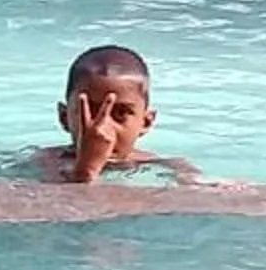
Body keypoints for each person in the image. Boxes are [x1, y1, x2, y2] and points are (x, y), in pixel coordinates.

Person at [35, 44, 200, 185]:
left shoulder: (170, 169)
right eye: (90, 112)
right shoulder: (42, 164)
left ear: (146, 122)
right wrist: (86, 170)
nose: (101, 129)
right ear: (64, 117)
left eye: (121, 113)